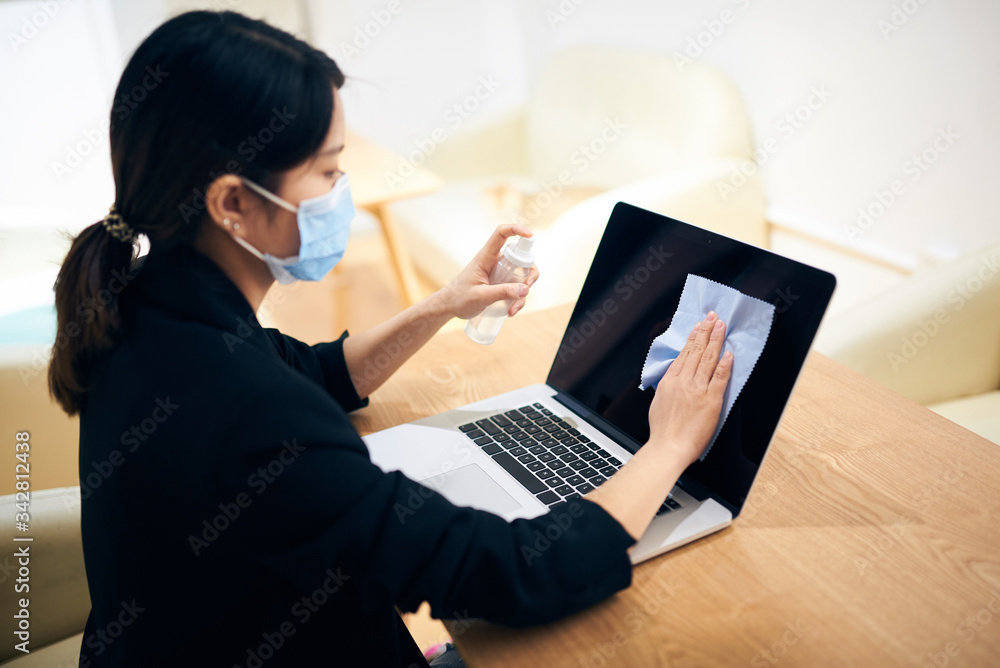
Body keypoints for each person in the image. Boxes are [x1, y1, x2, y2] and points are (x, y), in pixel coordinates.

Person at [48, 11, 733, 667]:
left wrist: (442, 304)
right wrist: (670, 444)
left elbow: (311, 373)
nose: (341, 189)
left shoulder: (142, 303)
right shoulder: (250, 416)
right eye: (326, 170)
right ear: (233, 203)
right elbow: (519, 572)